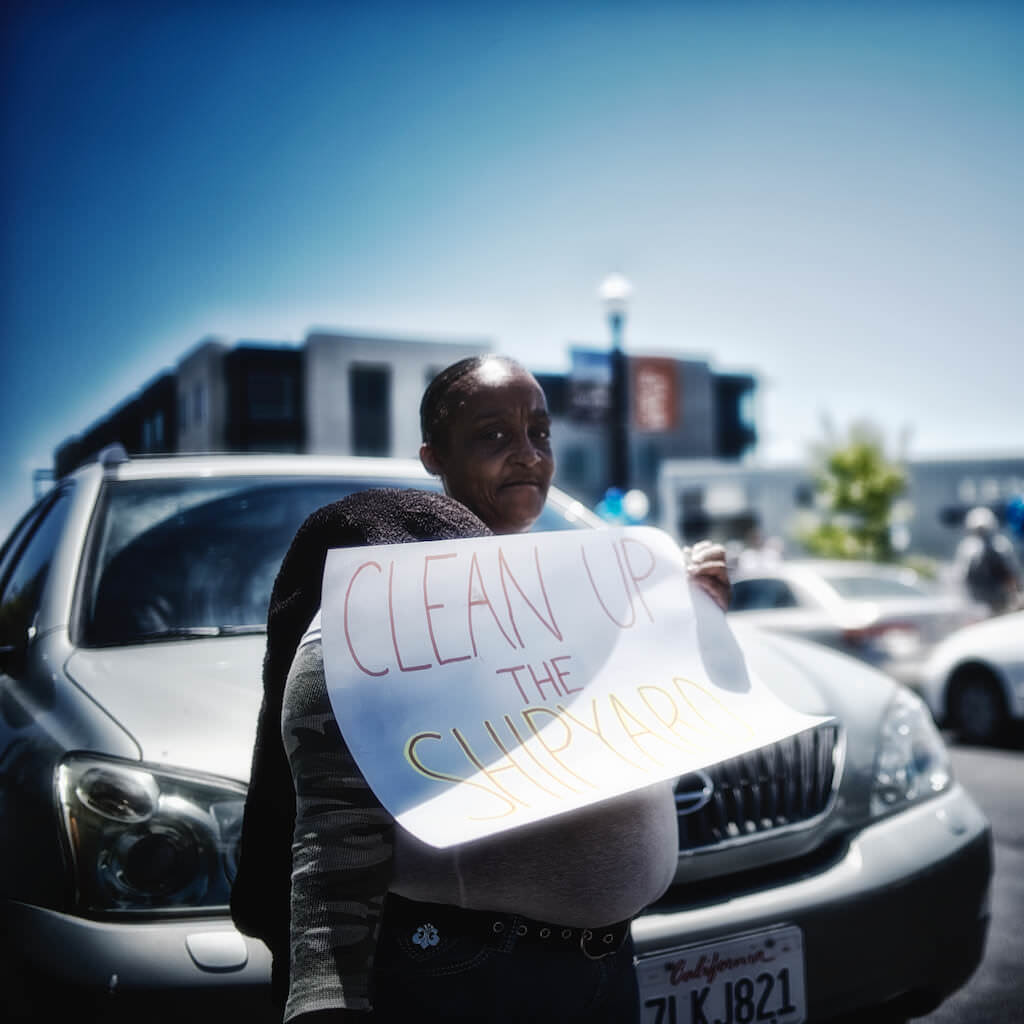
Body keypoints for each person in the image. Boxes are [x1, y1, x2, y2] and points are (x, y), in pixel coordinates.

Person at [232, 355, 731, 1023]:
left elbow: (639, 743)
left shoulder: (587, 588)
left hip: (607, 967)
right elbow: (332, 832)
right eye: (493, 435)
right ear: (434, 457)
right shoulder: (393, 603)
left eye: (541, 433)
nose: (528, 455)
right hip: (475, 976)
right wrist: (326, 997)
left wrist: (687, 624)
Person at [954, 505, 1022, 615]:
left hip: (1002, 599)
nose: (982, 533)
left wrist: (1016, 592)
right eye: (979, 530)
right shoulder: (968, 549)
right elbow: (961, 577)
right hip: (978, 602)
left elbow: (1012, 571)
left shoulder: (1001, 545)